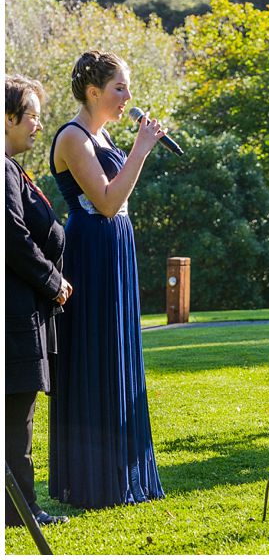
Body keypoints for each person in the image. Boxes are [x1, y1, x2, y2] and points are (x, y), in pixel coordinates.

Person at [48, 50, 165, 508]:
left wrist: (134, 147)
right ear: (93, 91)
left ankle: (122, 470)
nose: (127, 97)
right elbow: (108, 201)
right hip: (92, 250)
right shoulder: (73, 139)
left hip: (116, 246)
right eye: (119, 88)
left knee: (118, 352)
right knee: (96, 353)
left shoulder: (103, 134)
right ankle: (92, 479)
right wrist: (141, 147)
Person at [5, 76, 71, 526]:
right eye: (31, 116)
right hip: (13, 313)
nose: (37, 124)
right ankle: (18, 512)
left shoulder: (12, 166)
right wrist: (53, 281)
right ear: (7, 119)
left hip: (25, 307)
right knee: (15, 416)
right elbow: (12, 238)